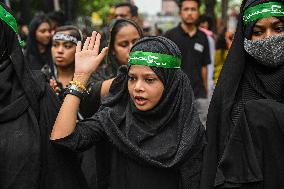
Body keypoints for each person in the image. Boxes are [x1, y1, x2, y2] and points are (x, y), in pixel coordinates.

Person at [50, 33, 206, 189]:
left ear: (170, 83)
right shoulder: (115, 118)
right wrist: (80, 78)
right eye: (132, 78)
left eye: (149, 79)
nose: (137, 87)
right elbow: (62, 139)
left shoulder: (189, 129)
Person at [0, 3, 88, 189]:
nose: (60, 50)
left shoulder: (39, 93)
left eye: (67, 46)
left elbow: (60, 172)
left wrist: (79, 81)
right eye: (56, 45)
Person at [200, 0, 284, 188]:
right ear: (245, 36)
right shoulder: (232, 90)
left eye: (278, 28)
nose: (269, 39)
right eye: (258, 32)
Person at [83, 18, 143, 117]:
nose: (132, 48)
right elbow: (90, 95)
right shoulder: (99, 74)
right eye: (124, 44)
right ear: (113, 49)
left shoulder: (155, 70)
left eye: (136, 42)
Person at [164, 0, 211, 125]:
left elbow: (204, 66)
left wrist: (205, 91)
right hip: (175, 95)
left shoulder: (203, 37)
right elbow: (164, 67)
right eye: (186, 9)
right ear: (180, 12)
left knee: (202, 132)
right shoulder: (169, 36)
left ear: (198, 13)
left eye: (193, 9)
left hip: (199, 95)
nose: (190, 13)